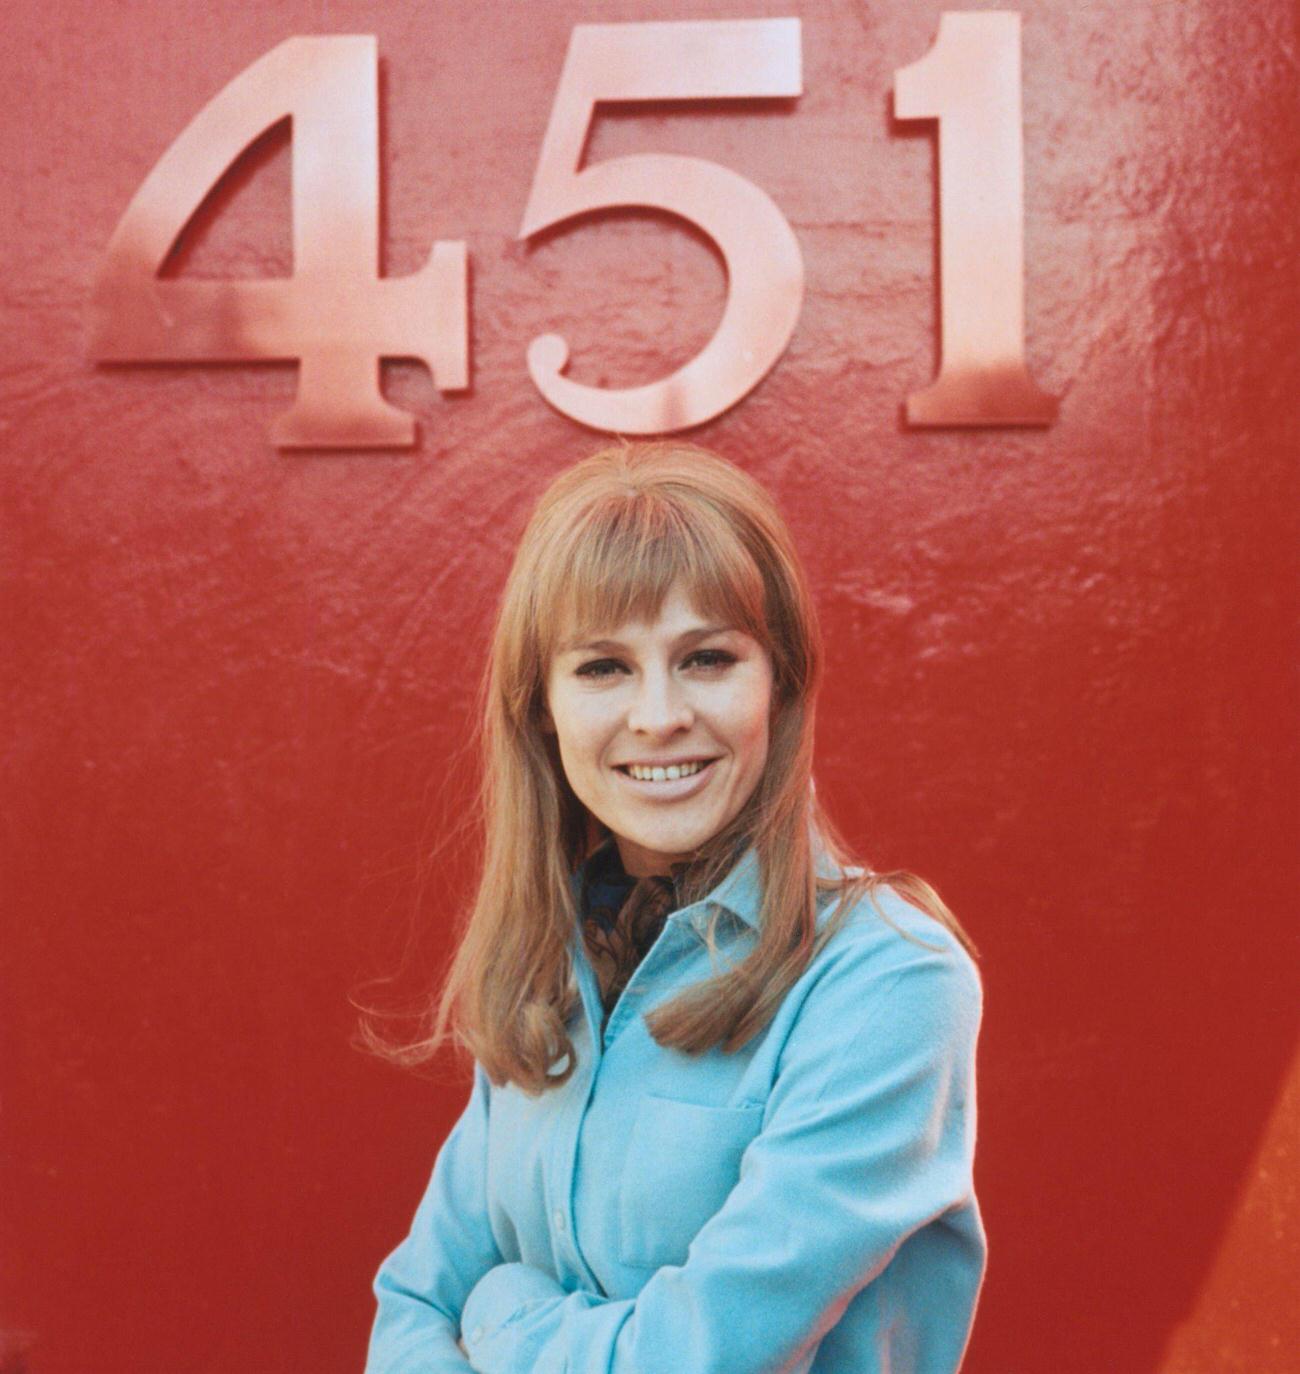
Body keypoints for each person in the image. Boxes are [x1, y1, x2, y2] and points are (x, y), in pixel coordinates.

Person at [362, 441, 985, 1373]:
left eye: (705, 658)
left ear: (780, 684)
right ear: (542, 708)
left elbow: (698, 1358)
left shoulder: (889, 982)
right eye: (604, 667)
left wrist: (506, 1320)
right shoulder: (552, 965)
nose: (658, 715)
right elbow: (413, 1304)